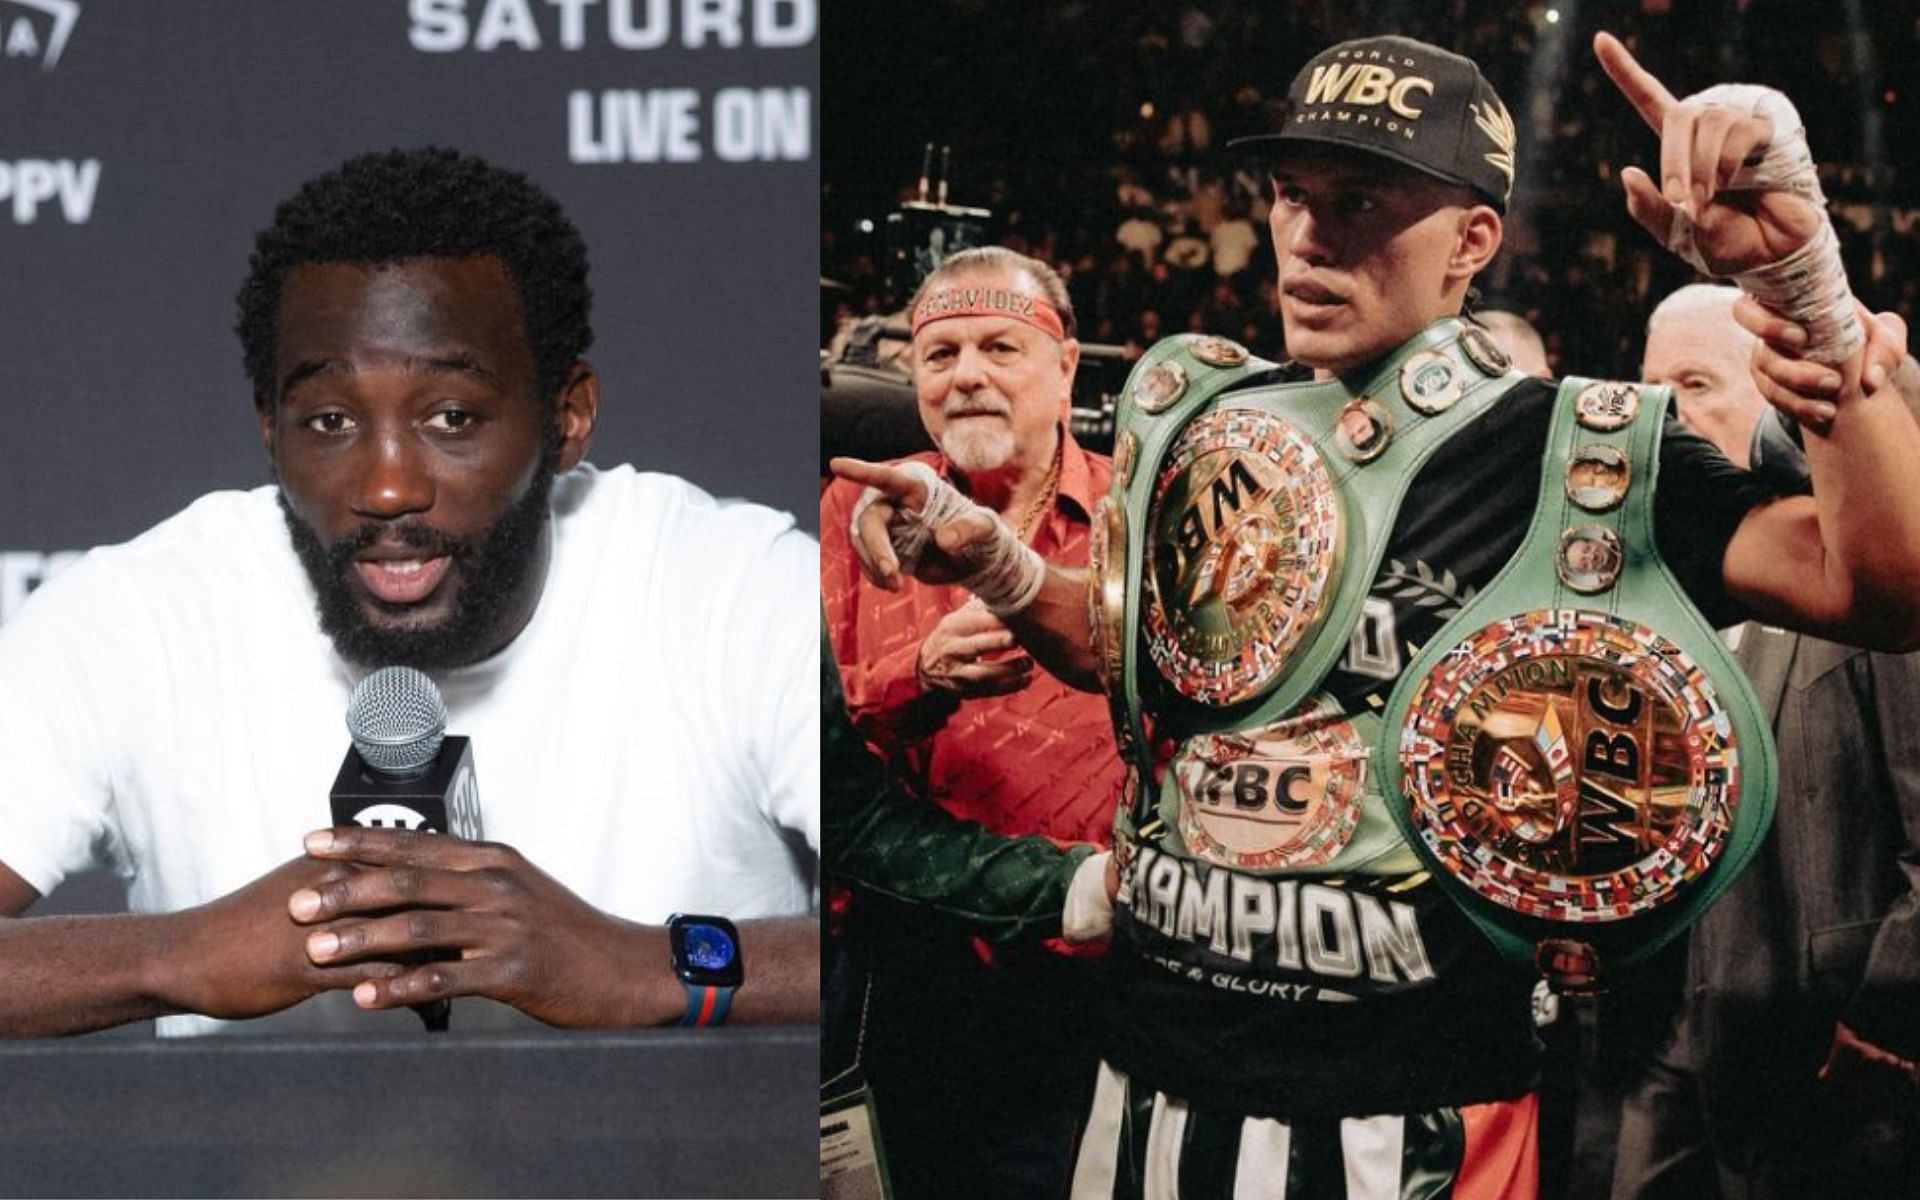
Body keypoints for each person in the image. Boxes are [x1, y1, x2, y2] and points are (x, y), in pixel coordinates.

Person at [833, 32, 1920, 1197]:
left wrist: (1807, 289)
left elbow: (1877, 590)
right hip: (1147, 1079)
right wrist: (995, 559)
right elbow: (1133, 656)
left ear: (1473, 242)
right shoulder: (1215, 423)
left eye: (1361, 201)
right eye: (1294, 197)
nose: (1308, 236)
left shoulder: (1575, 445)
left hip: (1411, 1108)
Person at [0, 148, 820, 1037]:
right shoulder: (138, 614)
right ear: (270, 430)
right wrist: (174, 954)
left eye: (451, 418)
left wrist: (643, 963)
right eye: (330, 422)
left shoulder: (737, 589)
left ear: (567, 417)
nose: (387, 487)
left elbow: (937, 942)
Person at [820, 245, 1121, 1198]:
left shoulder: (1132, 512)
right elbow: (816, 744)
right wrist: (917, 675)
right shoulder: (863, 501)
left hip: (1085, 974)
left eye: (999, 346)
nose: (968, 376)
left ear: (1065, 365)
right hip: (898, 968)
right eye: (940, 354)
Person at [1610, 284, 1920, 1199]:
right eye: (1651, 389)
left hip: (1824, 1052)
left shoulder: (1869, 574)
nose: (1666, 415)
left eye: (1696, 384)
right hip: (1669, 1033)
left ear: (1775, 397)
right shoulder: (1643, 584)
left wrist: (1890, 1020)